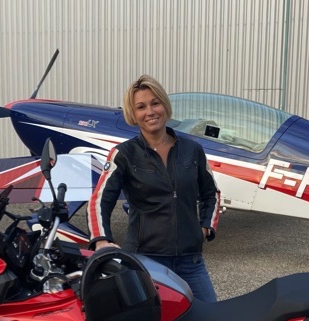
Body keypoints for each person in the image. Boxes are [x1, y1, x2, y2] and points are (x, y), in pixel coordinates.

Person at [88, 75, 221, 302]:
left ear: (164, 106)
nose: (150, 111)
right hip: (146, 260)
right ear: (133, 114)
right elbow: (100, 200)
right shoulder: (124, 154)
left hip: (191, 260)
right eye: (141, 107)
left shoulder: (192, 149)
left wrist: (205, 228)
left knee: (211, 320)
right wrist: (101, 239)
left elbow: (212, 193)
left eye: (155, 103)